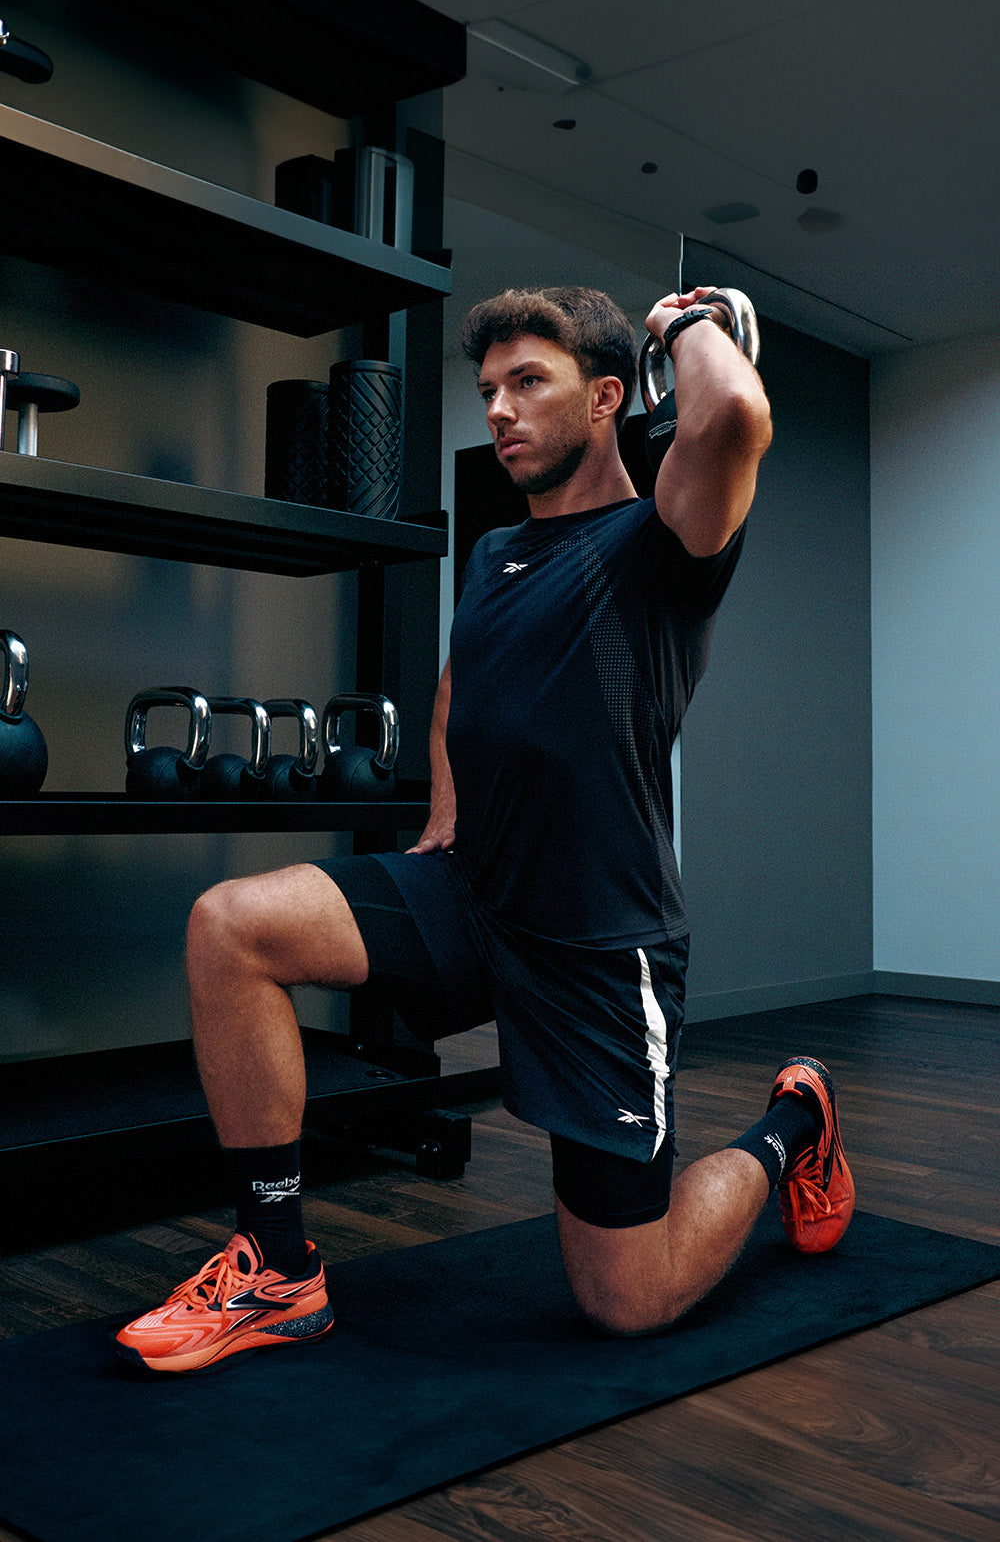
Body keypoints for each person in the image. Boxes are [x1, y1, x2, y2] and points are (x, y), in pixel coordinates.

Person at [116, 285, 854, 1373]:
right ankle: (277, 1268)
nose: (498, 411)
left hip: (598, 944)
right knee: (231, 927)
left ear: (609, 398)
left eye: (527, 384)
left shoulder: (661, 542)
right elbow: (466, 679)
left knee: (626, 1302)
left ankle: (794, 1122)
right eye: (488, 391)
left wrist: (684, 323)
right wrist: (445, 813)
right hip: (474, 895)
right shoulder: (498, 554)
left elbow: (734, 417)